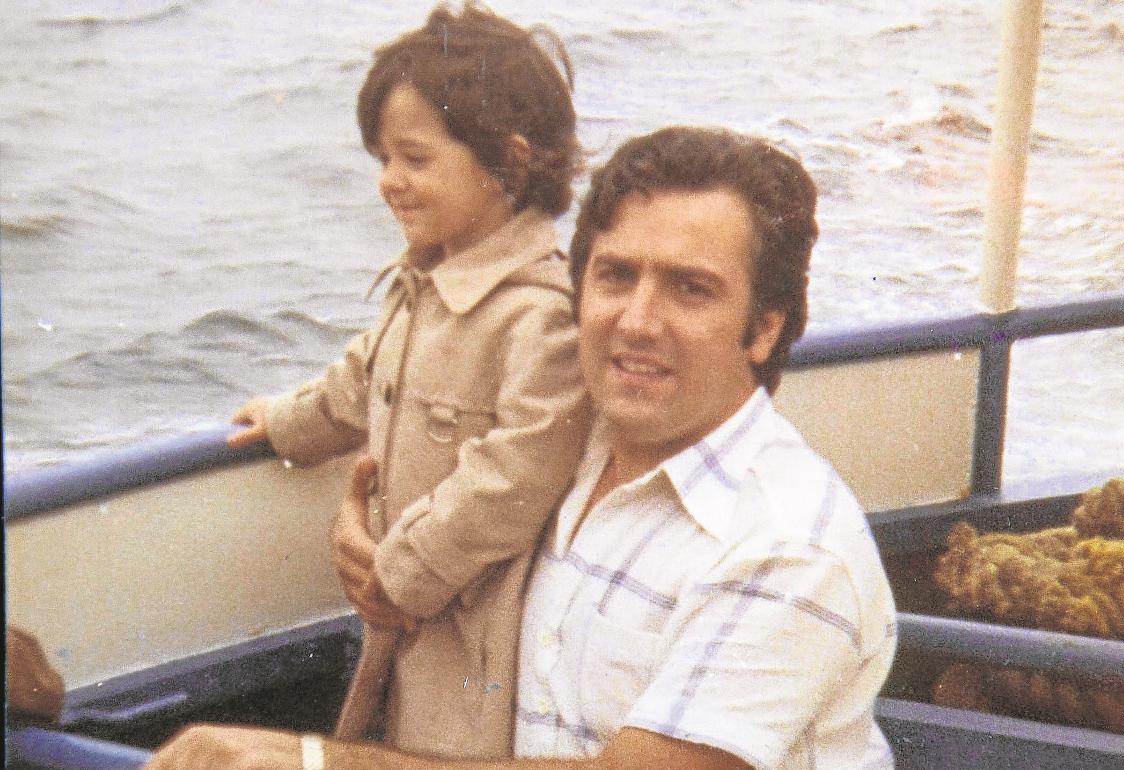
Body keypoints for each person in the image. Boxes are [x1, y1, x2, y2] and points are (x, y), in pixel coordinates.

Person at [146, 125, 898, 770]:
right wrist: (371, 546)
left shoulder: (789, 545)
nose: (637, 320)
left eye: (690, 289)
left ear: (765, 327)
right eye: (615, 276)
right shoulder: (559, 450)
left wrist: (308, 762)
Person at [226, 3, 591, 759]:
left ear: (509, 163)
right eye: (382, 160)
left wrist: (399, 574)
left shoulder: (540, 318)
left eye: (414, 159)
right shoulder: (425, 285)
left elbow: (515, 474)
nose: (389, 182)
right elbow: (363, 379)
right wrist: (287, 422)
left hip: (471, 638)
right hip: (398, 624)